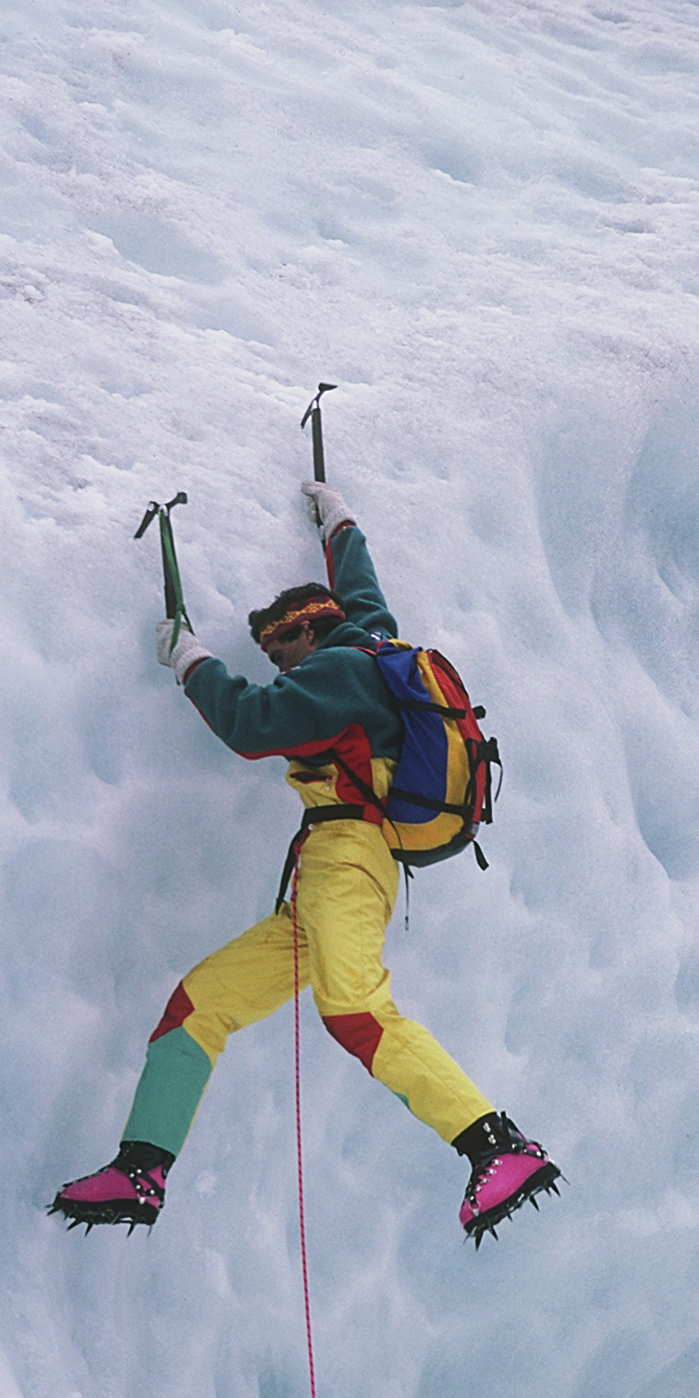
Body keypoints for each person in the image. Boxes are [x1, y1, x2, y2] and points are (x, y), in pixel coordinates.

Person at [51, 482, 560, 1246]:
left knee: (354, 1009)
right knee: (197, 1005)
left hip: (347, 862)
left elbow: (253, 723)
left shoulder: (331, 672)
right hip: (333, 877)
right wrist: (339, 520)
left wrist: (191, 660)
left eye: (277, 648)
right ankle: (141, 1165)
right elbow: (362, 586)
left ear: (306, 633)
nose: (275, 663)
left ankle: (496, 1144)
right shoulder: (372, 639)